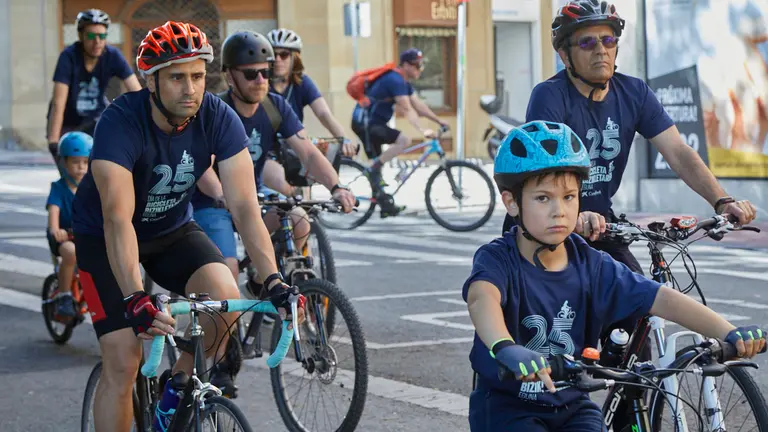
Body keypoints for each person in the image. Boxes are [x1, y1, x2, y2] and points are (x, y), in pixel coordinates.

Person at [504, 2, 759, 427]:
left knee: (638, 319)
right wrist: (577, 211)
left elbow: (678, 151)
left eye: (608, 39)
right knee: (554, 336)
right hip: (545, 230)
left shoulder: (634, 92)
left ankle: (625, 414)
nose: (601, 49)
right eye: (587, 42)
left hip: (603, 226)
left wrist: (722, 201)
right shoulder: (550, 96)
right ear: (566, 54)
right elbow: (544, 173)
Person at [71, 21, 303, 432]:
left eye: (197, 76)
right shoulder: (120, 122)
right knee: (124, 360)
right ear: (151, 80)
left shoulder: (216, 116)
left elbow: (246, 208)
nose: (190, 88)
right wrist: (135, 298)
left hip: (172, 230)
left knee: (225, 300)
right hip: (104, 237)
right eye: (177, 77)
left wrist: (273, 280)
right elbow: (117, 219)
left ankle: (175, 383)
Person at [466, 121, 766, 431]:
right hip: (508, 407)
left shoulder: (592, 263)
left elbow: (660, 297)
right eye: (543, 198)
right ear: (512, 202)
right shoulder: (499, 258)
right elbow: (481, 298)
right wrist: (504, 346)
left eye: (569, 197)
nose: (560, 211)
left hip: (572, 405)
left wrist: (728, 331)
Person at [190, 30, 356, 394]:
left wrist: (337, 186)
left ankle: (263, 278)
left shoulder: (276, 107)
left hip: (252, 192)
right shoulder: (215, 110)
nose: (261, 80)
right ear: (230, 75)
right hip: (212, 199)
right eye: (251, 74)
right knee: (226, 273)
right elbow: (200, 165)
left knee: (297, 218)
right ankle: (220, 363)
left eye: (265, 72)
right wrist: (221, 195)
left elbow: (308, 152)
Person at [350, 48, 448, 217]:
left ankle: (385, 205)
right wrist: (423, 130)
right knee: (404, 141)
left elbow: (419, 106)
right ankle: (374, 171)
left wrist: (439, 121)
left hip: (372, 123)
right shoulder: (394, 80)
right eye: (416, 65)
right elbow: (407, 109)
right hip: (366, 124)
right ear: (405, 65)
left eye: (421, 66)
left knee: (378, 167)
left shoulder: (403, 82)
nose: (419, 69)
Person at [264, 28, 358, 197]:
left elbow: (323, 114)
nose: (278, 60)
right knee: (287, 190)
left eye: (284, 55)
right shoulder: (260, 83)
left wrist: (343, 138)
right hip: (266, 151)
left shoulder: (302, 83)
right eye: (273, 54)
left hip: (293, 148)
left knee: (306, 194)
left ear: (294, 58)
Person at [47, 9, 141, 165]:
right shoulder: (68, 57)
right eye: (91, 36)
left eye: (102, 36)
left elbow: (137, 92)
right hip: (68, 122)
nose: (97, 42)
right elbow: (58, 102)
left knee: (101, 168)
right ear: (80, 36)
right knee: (72, 174)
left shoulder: (112, 55)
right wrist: (54, 141)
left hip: (95, 120)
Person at [46, 131, 92, 317]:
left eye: (85, 162)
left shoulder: (92, 188)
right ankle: (64, 295)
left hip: (86, 235)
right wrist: (55, 230)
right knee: (70, 252)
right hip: (64, 238)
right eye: (75, 162)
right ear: (63, 162)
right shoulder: (58, 188)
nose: (81, 167)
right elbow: (54, 210)